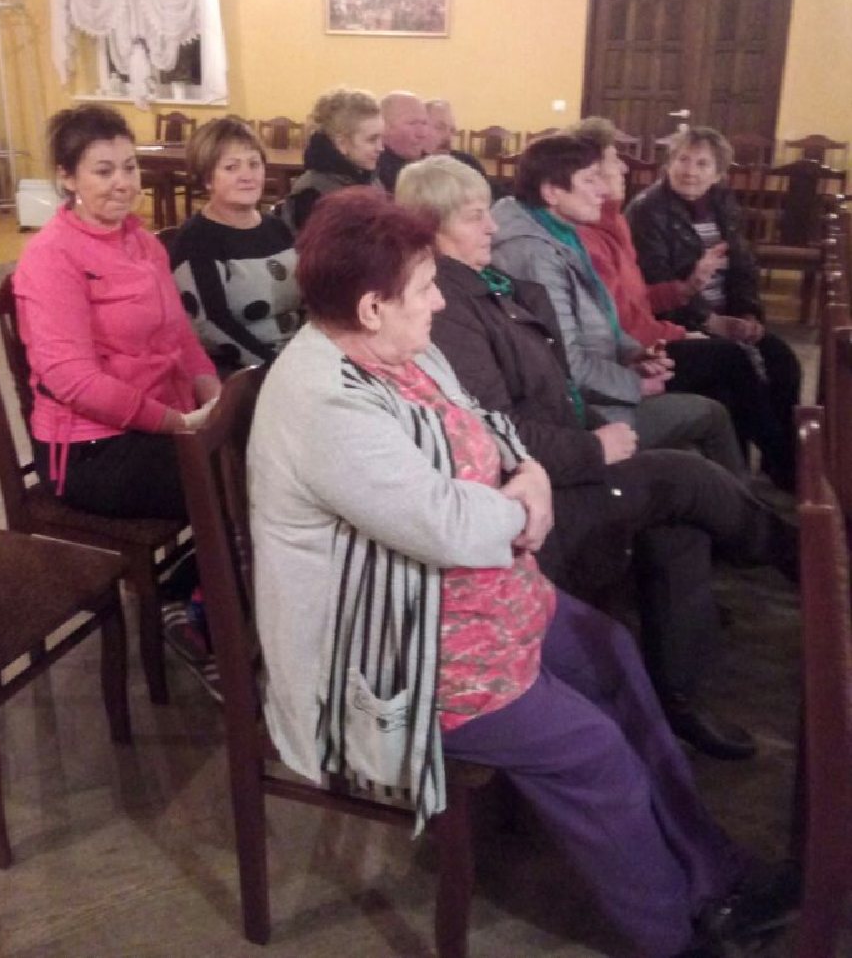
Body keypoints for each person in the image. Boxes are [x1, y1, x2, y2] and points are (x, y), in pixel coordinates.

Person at [250, 187, 795, 958]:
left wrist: (530, 474)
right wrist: (521, 509)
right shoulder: (324, 402)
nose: (441, 300)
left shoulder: (402, 348)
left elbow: (485, 422)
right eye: (425, 287)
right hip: (397, 653)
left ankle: (715, 875)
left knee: (615, 657)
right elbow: (448, 526)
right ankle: (671, 934)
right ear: (372, 307)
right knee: (592, 750)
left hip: (480, 597)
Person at [396, 154, 798, 759]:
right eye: (476, 216)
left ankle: (678, 698)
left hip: (566, 461)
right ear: (432, 228)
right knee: (687, 476)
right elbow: (492, 432)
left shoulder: (489, 285)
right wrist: (594, 445)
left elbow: (557, 385)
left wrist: (602, 415)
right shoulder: (445, 307)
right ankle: (803, 562)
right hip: (532, 504)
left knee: (680, 526)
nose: (493, 226)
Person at [490, 134, 748, 475]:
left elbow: (603, 318)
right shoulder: (534, 254)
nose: (603, 189)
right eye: (590, 180)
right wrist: (635, 384)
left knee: (721, 383)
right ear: (551, 192)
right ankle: (751, 500)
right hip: (582, 412)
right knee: (712, 414)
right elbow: (566, 364)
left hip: (604, 377)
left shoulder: (558, 229)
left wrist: (634, 353)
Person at [14, 104, 219, 520]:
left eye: (129, 167)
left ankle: (220, 562)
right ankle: (216, 564)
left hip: (161, 422)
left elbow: (181, 337)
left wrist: (217, 402)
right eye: (104, 172)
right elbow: (74, 380)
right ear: (68, 177)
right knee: (235, 479)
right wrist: (177, 423)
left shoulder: (144, 244)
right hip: (90, 449)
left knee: (266, 447)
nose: (123, 183)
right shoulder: (51, 256)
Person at [573, 118, 796, 490]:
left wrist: (745, 311)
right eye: (683, 160)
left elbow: (742, 265)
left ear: (718, 174)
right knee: (733, 362)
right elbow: (623, 318)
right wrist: (697, 324)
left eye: (702, 163)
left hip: (680, 321)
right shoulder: (642, 213)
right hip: (656, 337)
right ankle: (782, 469)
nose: (690, 171)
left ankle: (765, 469)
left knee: (781, 359)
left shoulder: (718, 204)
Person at [169, 116, 302, 377]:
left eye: (254, 164)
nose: (247, 176)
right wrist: (279, 370)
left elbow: (307, 299)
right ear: (207, 179)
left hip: (295, 356)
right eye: (231, 167)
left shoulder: (277, 228)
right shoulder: (197, 240)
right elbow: (211, 326)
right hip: (240, 371)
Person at [281, 86, 384, 233]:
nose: (381, 148)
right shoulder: (312, 194)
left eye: (381, 138)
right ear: (342, 143)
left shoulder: (368, 177)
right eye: (372, 140)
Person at [375, 90, 428, 193]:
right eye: (413, 123)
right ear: (385, 126)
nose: (422, 133)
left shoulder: (431, 166)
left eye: (424, 123)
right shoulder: (372, 170)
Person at [424, 98, 488, 178]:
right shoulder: (411, 166)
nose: (448, 136)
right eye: (440, 127)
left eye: (452, 130)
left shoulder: (469, 164)